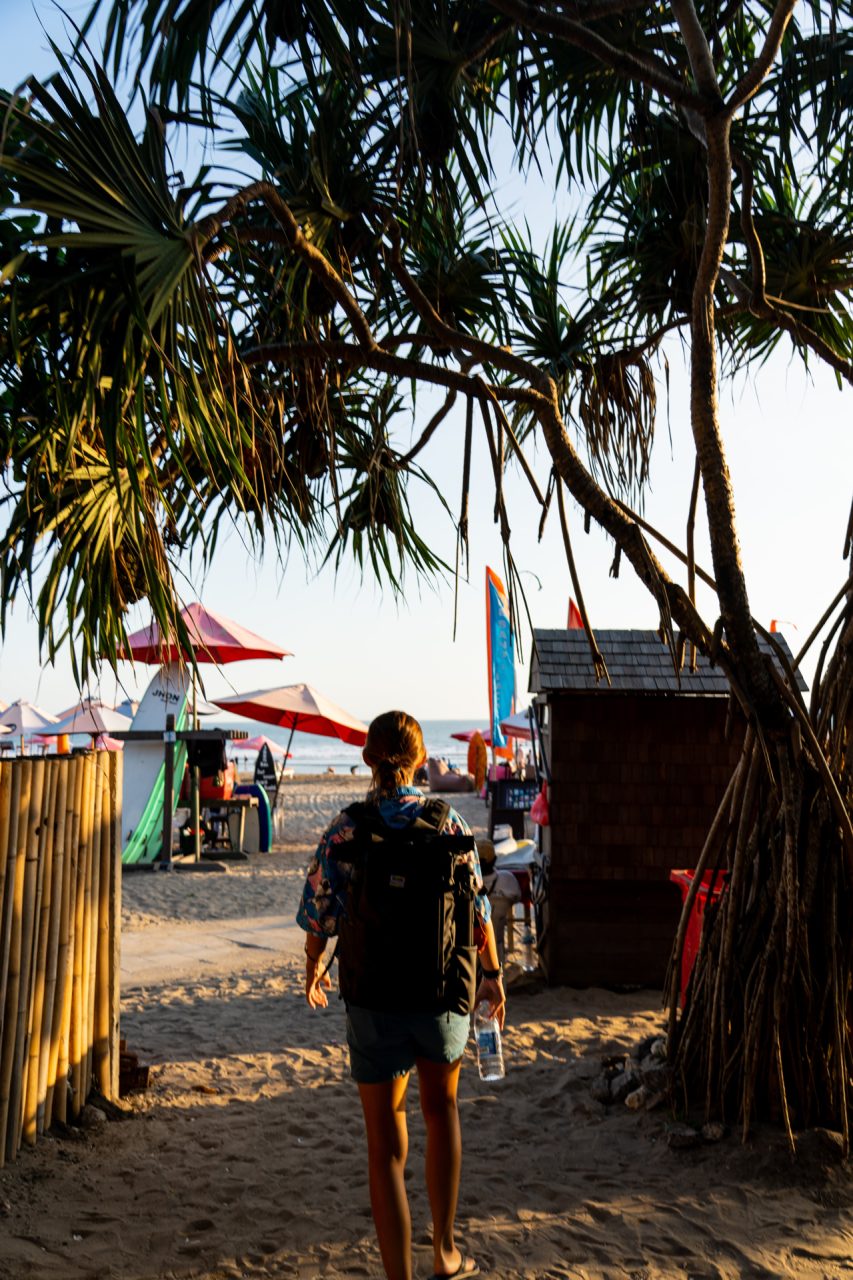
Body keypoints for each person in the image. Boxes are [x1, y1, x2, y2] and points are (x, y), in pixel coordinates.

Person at [297, 710, 505, 1280]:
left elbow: (320, 909)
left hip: (371, 996)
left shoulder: (347, 827)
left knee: (384, 1141)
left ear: (369, 759)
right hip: (440, 994)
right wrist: (492, 972)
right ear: (417, 761)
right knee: (441, 1112)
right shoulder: (449, 823)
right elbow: (478, 910)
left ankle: (398, 1276)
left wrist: (314, 966)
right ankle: (444, 1253)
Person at [476, 838, 522, 965]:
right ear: (495, 859)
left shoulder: (465, 885)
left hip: (472, 950)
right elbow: (517, 897)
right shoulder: (508, 880)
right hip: (496, 950)